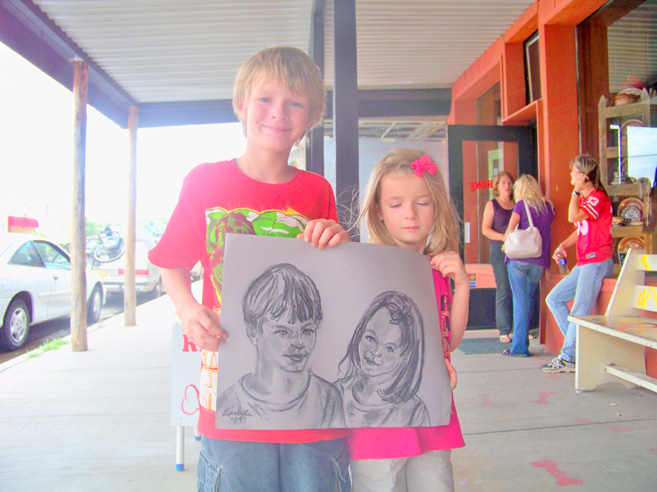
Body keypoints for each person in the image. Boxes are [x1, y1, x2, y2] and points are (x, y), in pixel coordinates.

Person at [148, 46, 351, 492]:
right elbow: (171, 263)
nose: (279, 113)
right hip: (228, 391)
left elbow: (330, 285)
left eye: (295, 102)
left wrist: (338, 243)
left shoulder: (317, 190)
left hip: (311, 407)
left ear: (311, 116)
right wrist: (187, 311)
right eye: (266, 99)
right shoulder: (204, 181)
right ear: (241, 104)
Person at [349, 148, 469, 492]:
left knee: (436, 482)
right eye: (396, 204)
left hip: (429, 411)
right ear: (378, 211)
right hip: (376, 420)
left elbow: (451, 341)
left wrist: (461, 284)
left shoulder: (437, 270)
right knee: (378, 482)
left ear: (438, 208)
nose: (411, 215)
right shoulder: (365, 268)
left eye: (423, 202)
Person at [216, 263, 345, 430]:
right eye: (283, 332)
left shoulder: (328, 398)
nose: (298, 342)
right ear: (253, 333)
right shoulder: (230, 402)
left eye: (307, 331)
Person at [542, 154, 613, 373]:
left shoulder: (597, 197)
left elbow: (573, 218)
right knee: (554, 298)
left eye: (574, 172)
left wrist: (575, 192)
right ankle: (576, 348)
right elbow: (579, 229)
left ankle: (568, 357)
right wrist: (563, 245)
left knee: (580, 308)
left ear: (584, 176)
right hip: (583, 262)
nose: (570, 175)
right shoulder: (586, 199)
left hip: (597, 261)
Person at [335, 291, 430, 428]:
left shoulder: (413, 412)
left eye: (389, 348)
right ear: (359, 335)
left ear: (406, 357)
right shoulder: (333, 395)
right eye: (371, 338)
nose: (376, 352)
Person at [501, 175, 555, 357]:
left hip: (518, 260)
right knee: (529, 299)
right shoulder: (548, 207)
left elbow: (510, 229)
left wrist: (504, 244)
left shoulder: (521, 205)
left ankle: (520, 347)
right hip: (539, 261)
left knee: (520, 301)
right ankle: (525, 336)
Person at [481, 171, 515, 342]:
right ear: (497, 186)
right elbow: (485, 229)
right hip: (499, 250)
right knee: (504, 288)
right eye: (503, 182)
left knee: (518, 289)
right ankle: (504, 329)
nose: (507, 185)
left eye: (509, 182)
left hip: (518, 251)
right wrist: (504, 238)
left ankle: (520, 327)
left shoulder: (518, 204)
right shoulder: (492, 205)